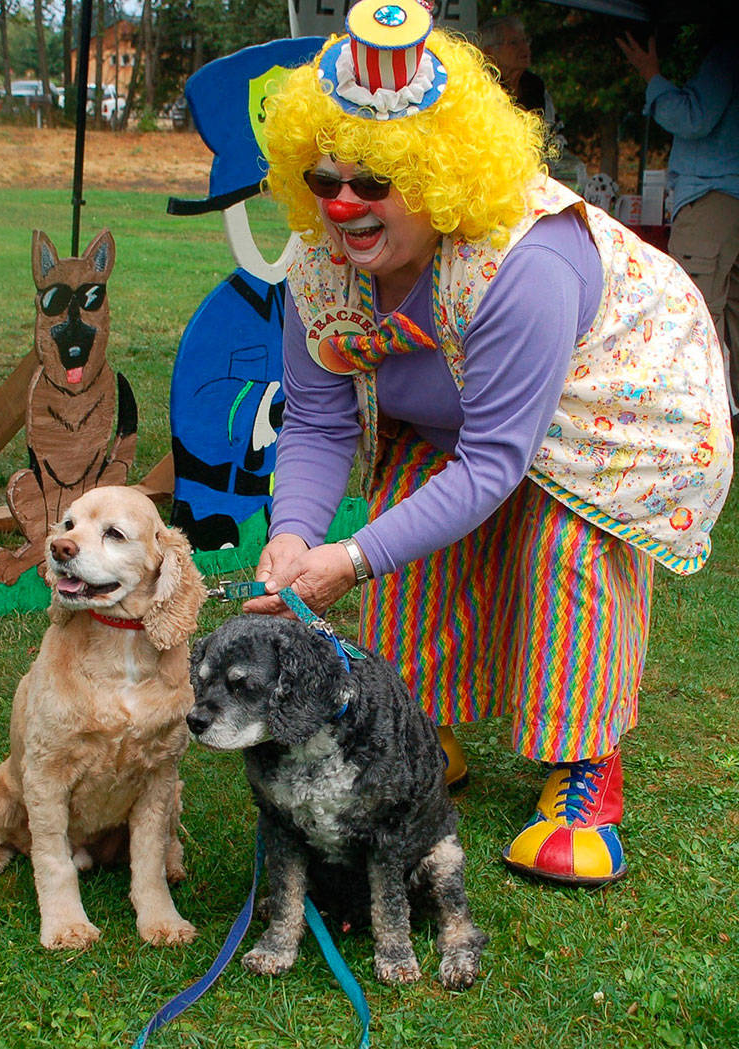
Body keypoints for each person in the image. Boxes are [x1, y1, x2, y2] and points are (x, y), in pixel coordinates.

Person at [248, 0, 732, 887]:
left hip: (610, 409)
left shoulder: (525, 262)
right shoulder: (319, 265)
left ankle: (586, 771)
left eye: (375, 179)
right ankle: (425, 726)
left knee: (564, 543)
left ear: (438, 177)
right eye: (323, 181)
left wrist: (346, 557)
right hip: (461, 417)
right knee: (405, 509)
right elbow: (317, 419)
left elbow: (497, 464)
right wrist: (292, 534)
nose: (344, 204)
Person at [618, 28, 739, 421]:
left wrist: (652, 77)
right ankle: (724, 415)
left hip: (711, 199)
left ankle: (696, 420)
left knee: (694, 309)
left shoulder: (725, 52)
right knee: (730, 310)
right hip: (729, 196)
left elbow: (694, 118)